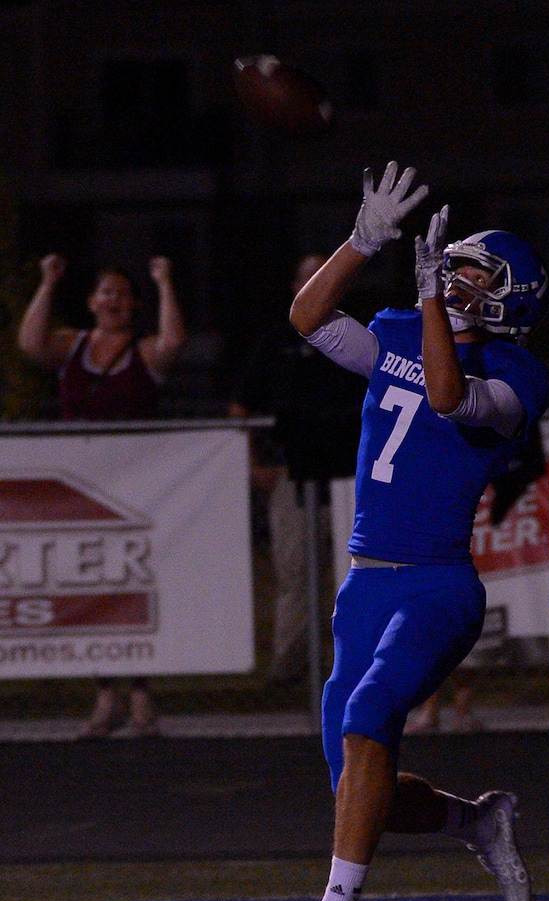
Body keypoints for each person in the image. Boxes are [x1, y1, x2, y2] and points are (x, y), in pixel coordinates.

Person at [249, 160, 549, 901]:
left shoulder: (520, 376)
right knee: (358, 774)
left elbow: (453, 397)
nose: (451, 274)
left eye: (469, 270)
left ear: (507, 295)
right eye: (448, 264)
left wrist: (428, 305)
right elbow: (308, 315)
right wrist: (361, 241)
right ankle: (475, 820)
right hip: (365, 582)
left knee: (373, 710)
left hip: (436, 584)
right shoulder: (394, 327)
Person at [18, 253, 187, 736]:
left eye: (122, 293)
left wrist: (164, 280)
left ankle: (140, 698)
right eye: (105, 292)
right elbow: (30, 344)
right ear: (92, 302)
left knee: (135, 589)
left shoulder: (142, 351)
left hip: (137, 492)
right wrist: (47, 283)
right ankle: (104, 696)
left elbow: (174, 340)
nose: (113, 300)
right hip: (83, 493)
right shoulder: (72, 346)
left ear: (133, 305)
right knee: (93, 588)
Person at [229, 253, 366, 687]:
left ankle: (355, 664)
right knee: (294, 571)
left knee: (357, 573)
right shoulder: (274, 343)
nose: (319, 284)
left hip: (351, 477)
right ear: (295, 288)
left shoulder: (360, 338)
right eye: (309, 278)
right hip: (293, 474)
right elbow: (241, 406)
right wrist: (254, 463)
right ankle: (291, 670)